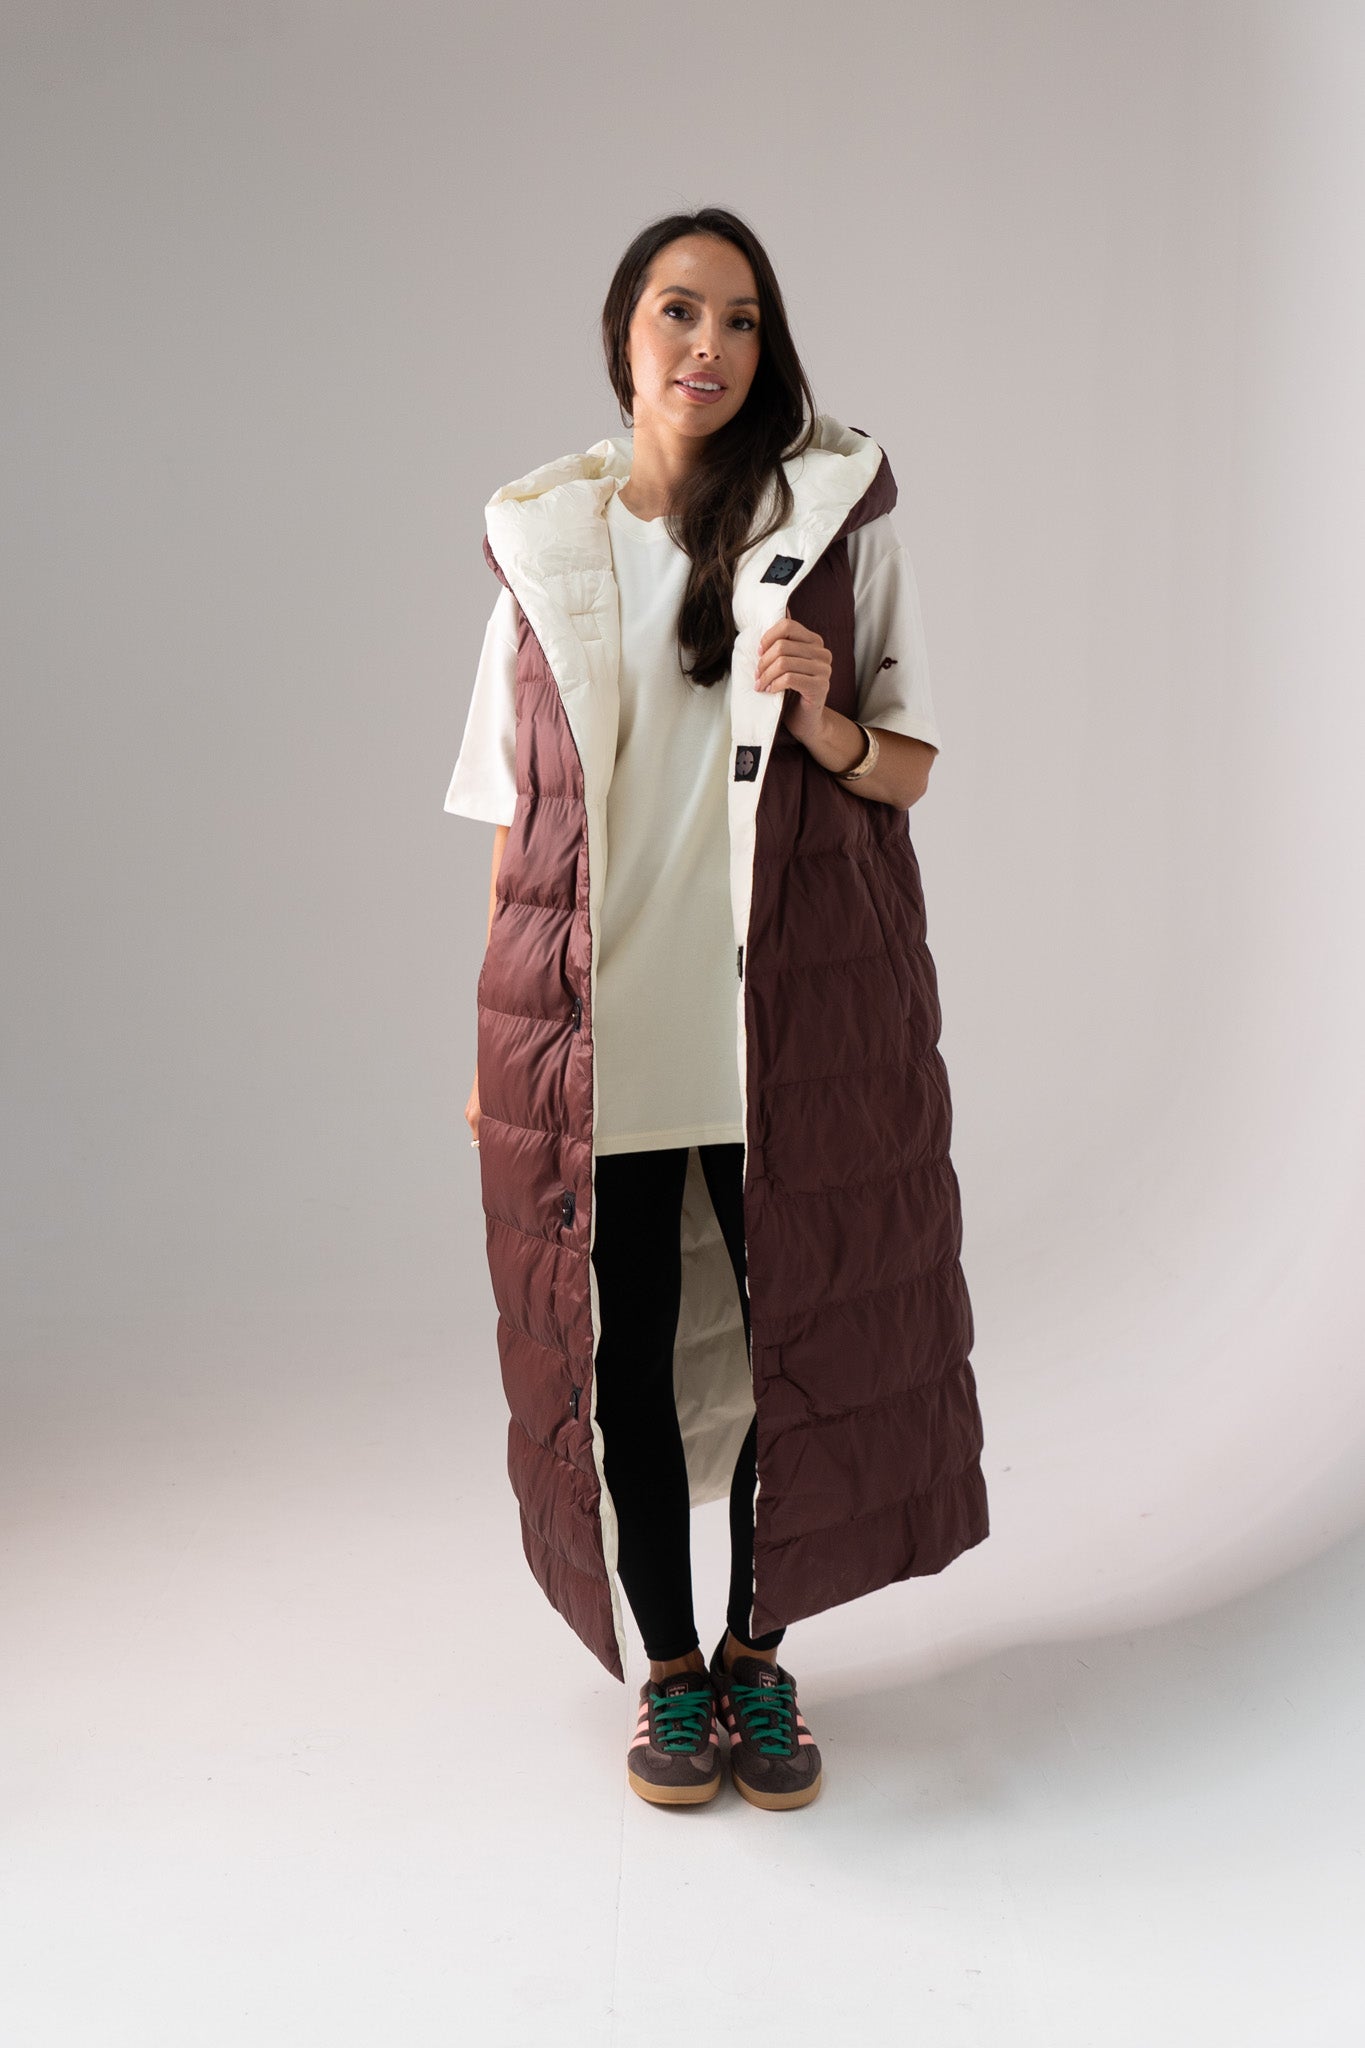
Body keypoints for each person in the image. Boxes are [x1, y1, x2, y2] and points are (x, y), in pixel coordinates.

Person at [445, 207, 977, 1812]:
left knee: (783, 1337)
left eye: (741, 319)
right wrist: (493, 1055)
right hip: (600, 1035)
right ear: (623, 332)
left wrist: (823, 721)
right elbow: (512, 829)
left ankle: (757, 1651)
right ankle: (670, 1673)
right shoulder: (543, 554)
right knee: (618, 1359)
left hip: (782, 1031)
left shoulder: (831, 530)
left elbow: (908, 765)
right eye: (678, 311)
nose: (708, 345)